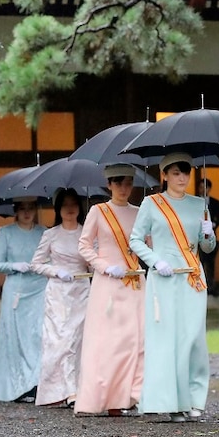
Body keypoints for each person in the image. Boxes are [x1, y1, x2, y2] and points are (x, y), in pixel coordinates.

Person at [130, 152, 216, 422]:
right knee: (167, 339)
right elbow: (135, 240)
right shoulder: (151, 203)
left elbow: (207, 247)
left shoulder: (199, 203)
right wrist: (156, 262)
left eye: (186, 173)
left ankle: (193, 398)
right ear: (164, 175)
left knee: (193, 338)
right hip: (164, 280)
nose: (182, 178)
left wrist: (208, 234)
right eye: (176, 173)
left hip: (192, 277)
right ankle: (171, 402)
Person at [76, 164, 145, 416]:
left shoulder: (140, 212)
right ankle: (105, 396)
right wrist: (104, 267)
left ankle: (129, 396)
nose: (124, 188)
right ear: (109, 185)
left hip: (134, 282)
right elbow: (84, 246)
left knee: (135, 339)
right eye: (118, 183)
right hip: (108, 284)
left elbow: (150, 242)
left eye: (128, 183)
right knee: (107, 341)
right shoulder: (99, 211)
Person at [31, 189, 90, 407]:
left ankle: (78, 389)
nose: (70, 208)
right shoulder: (51, 234)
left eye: (74, 204)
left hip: (81, 290)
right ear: (58, 209)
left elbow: (93, 259)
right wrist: (56, 271)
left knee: (78, 339)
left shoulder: (86, 233)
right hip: (58, 292)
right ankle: (62, 390)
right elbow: (35, 264)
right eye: (65, 204)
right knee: (60, 339)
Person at [0, 197, 47, 403]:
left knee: (37, 336)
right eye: (22, 209)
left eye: (31, 208)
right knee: (15, 338)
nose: (27, 213)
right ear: (15, 211)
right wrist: (15, 265)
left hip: (39, 288)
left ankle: (36, 383)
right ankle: (16, 385)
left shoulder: (43, 233)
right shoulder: (6, 232)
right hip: (16, 290)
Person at [196, 178, 219, 296]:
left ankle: (212, 287)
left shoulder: (214, 202)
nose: (203, 189)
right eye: (201, 187)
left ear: (209, 189)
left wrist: (214, 224)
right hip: (197, 236)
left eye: (206, 187)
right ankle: (199, 285)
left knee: (210, 263)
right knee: (199, 262)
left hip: (211, 235)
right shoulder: (194, 201)